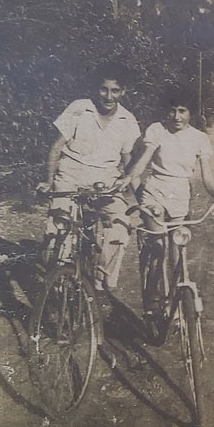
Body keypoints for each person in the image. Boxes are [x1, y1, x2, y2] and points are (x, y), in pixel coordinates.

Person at [37, 63, 140, 291]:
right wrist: (48, 180)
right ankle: (57, 280)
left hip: (105, 185)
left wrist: (138, 199)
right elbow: (56, 147)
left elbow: (129, 161)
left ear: (123, 92)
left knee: (120, 228)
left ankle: (102, 279)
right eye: (104, 89)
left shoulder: (128, 120)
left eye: (115, 91)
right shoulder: (79, 108)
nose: (109, 96)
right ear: (96, 89)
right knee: (58, 228)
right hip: (70, 179)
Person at [121, 89, 214, 243]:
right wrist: (128, 178)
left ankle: (176, 266)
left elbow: (206, 175)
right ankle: (153, 260)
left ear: (191, 112)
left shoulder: (199, 138)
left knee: (178, 243)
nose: (177, 117)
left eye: (182, 111)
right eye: (172, 111)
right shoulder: (157, 130)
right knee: (157, 240)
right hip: (155, 193)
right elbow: (143, 160)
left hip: (180, 195)